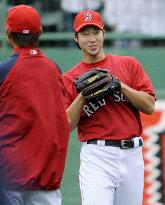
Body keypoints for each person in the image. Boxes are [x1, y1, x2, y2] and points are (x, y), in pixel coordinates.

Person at [62, 10, 156, 205]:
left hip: (132, 154)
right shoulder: (69, 79)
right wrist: (83, 95)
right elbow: (66, 124)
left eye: (96, 32)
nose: (92, 39)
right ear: (76, 38)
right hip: (97, 155)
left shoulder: (128, 64)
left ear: (103, 33)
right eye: (85, 34)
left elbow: (149, 106)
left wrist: (120, 85)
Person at [0, 5, 69, 205]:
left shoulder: (4, 71)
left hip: (10, 179)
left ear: (8, 33)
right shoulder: (54, 69)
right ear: (40, 32)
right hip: (46, 178)